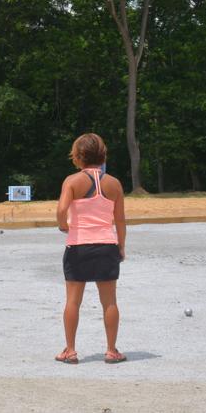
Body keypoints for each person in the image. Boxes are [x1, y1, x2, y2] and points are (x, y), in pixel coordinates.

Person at [54, 133, 127, 364]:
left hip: (78, 246)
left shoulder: (72, 181)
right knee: (110, 302)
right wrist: (121, 247)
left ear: (78, 156)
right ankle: (112, 350)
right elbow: (121, 220)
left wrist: (64, 226)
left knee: (73, 301)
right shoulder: (114, 183)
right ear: (102, 155)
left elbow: (61, 210)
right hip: (107, 245)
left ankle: (71, 350)